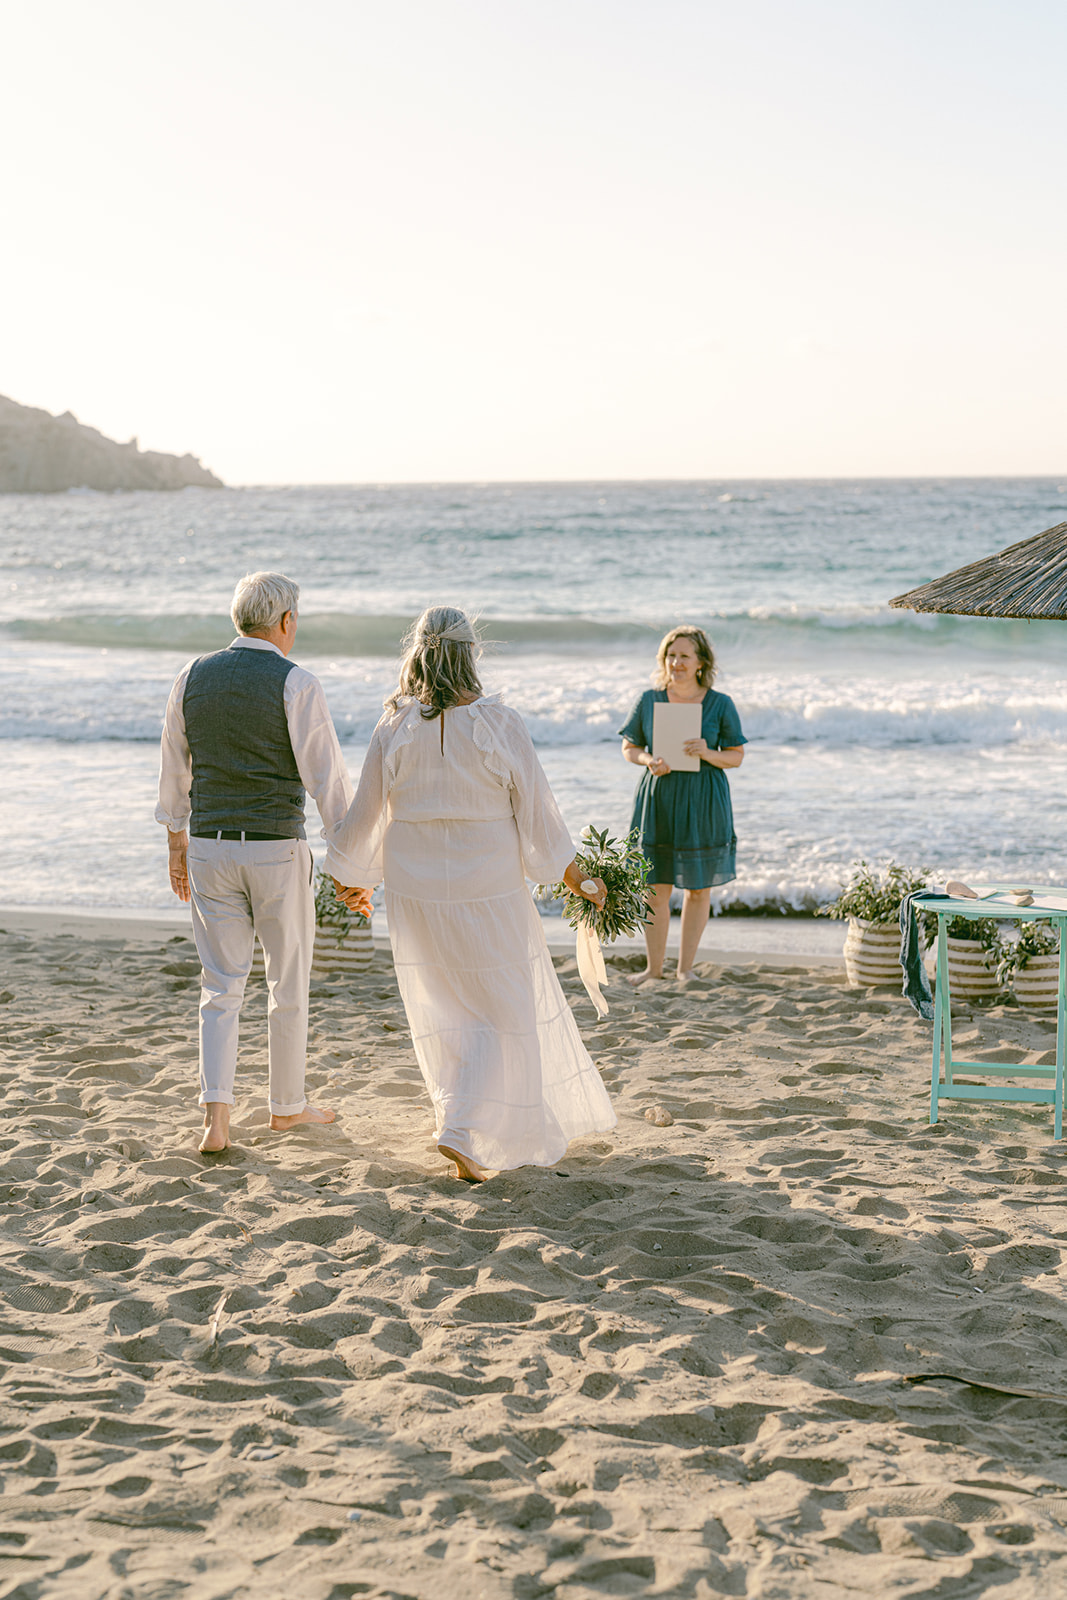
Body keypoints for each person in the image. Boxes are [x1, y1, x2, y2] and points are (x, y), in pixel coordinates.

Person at [324, 606, 616, 1183]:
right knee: (504, 1010)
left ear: (419, 653)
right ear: (469, 654)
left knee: (449, 1006)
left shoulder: (395, 724)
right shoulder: (499, 722)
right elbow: (539, 818)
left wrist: (349, 880)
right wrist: (580, 879)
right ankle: (462, 1128)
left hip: (416, 892)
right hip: (488, 889)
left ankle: (470, 1137)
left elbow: (363, 816)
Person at [157, 571, 370, 1153]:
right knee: (287, 983)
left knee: (220, 985)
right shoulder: (296, 683)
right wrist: (349, 868)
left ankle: (216, 1121)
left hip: (209, 845)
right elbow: (328, 783)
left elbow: (175, 770)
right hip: (277, 848)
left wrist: (176, 847)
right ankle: (286, 1108)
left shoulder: (190, 676)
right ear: (286, 621)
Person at [619, 625, 746, 984]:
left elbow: (736, 757)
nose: (676, 662)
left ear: (701, 661)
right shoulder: (649, 699)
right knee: (655, 888)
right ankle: (653, 969)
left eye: (684, 655)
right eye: (671, 655)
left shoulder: (720, 704)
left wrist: (708, 752)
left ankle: (684, 970)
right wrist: (648, 760)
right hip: (659, 796)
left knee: (698, 888)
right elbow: (629, 747)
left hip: (704, 799)